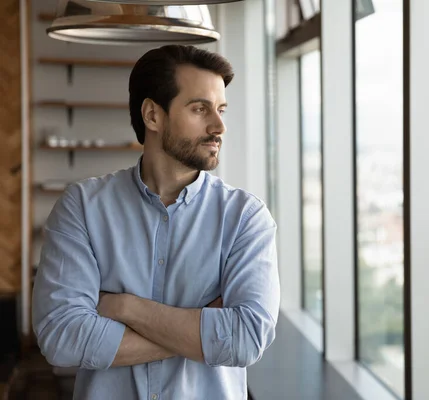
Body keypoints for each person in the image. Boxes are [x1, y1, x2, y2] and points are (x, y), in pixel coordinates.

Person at [32, 45, 280, 400]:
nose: (219, 126)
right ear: (152, 115)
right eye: (200, 109)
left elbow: (246, 339)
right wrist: (199, 331)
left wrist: (124, 308)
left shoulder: (245, 218)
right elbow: (61, 338)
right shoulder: (82, 208)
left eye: (221, 109)